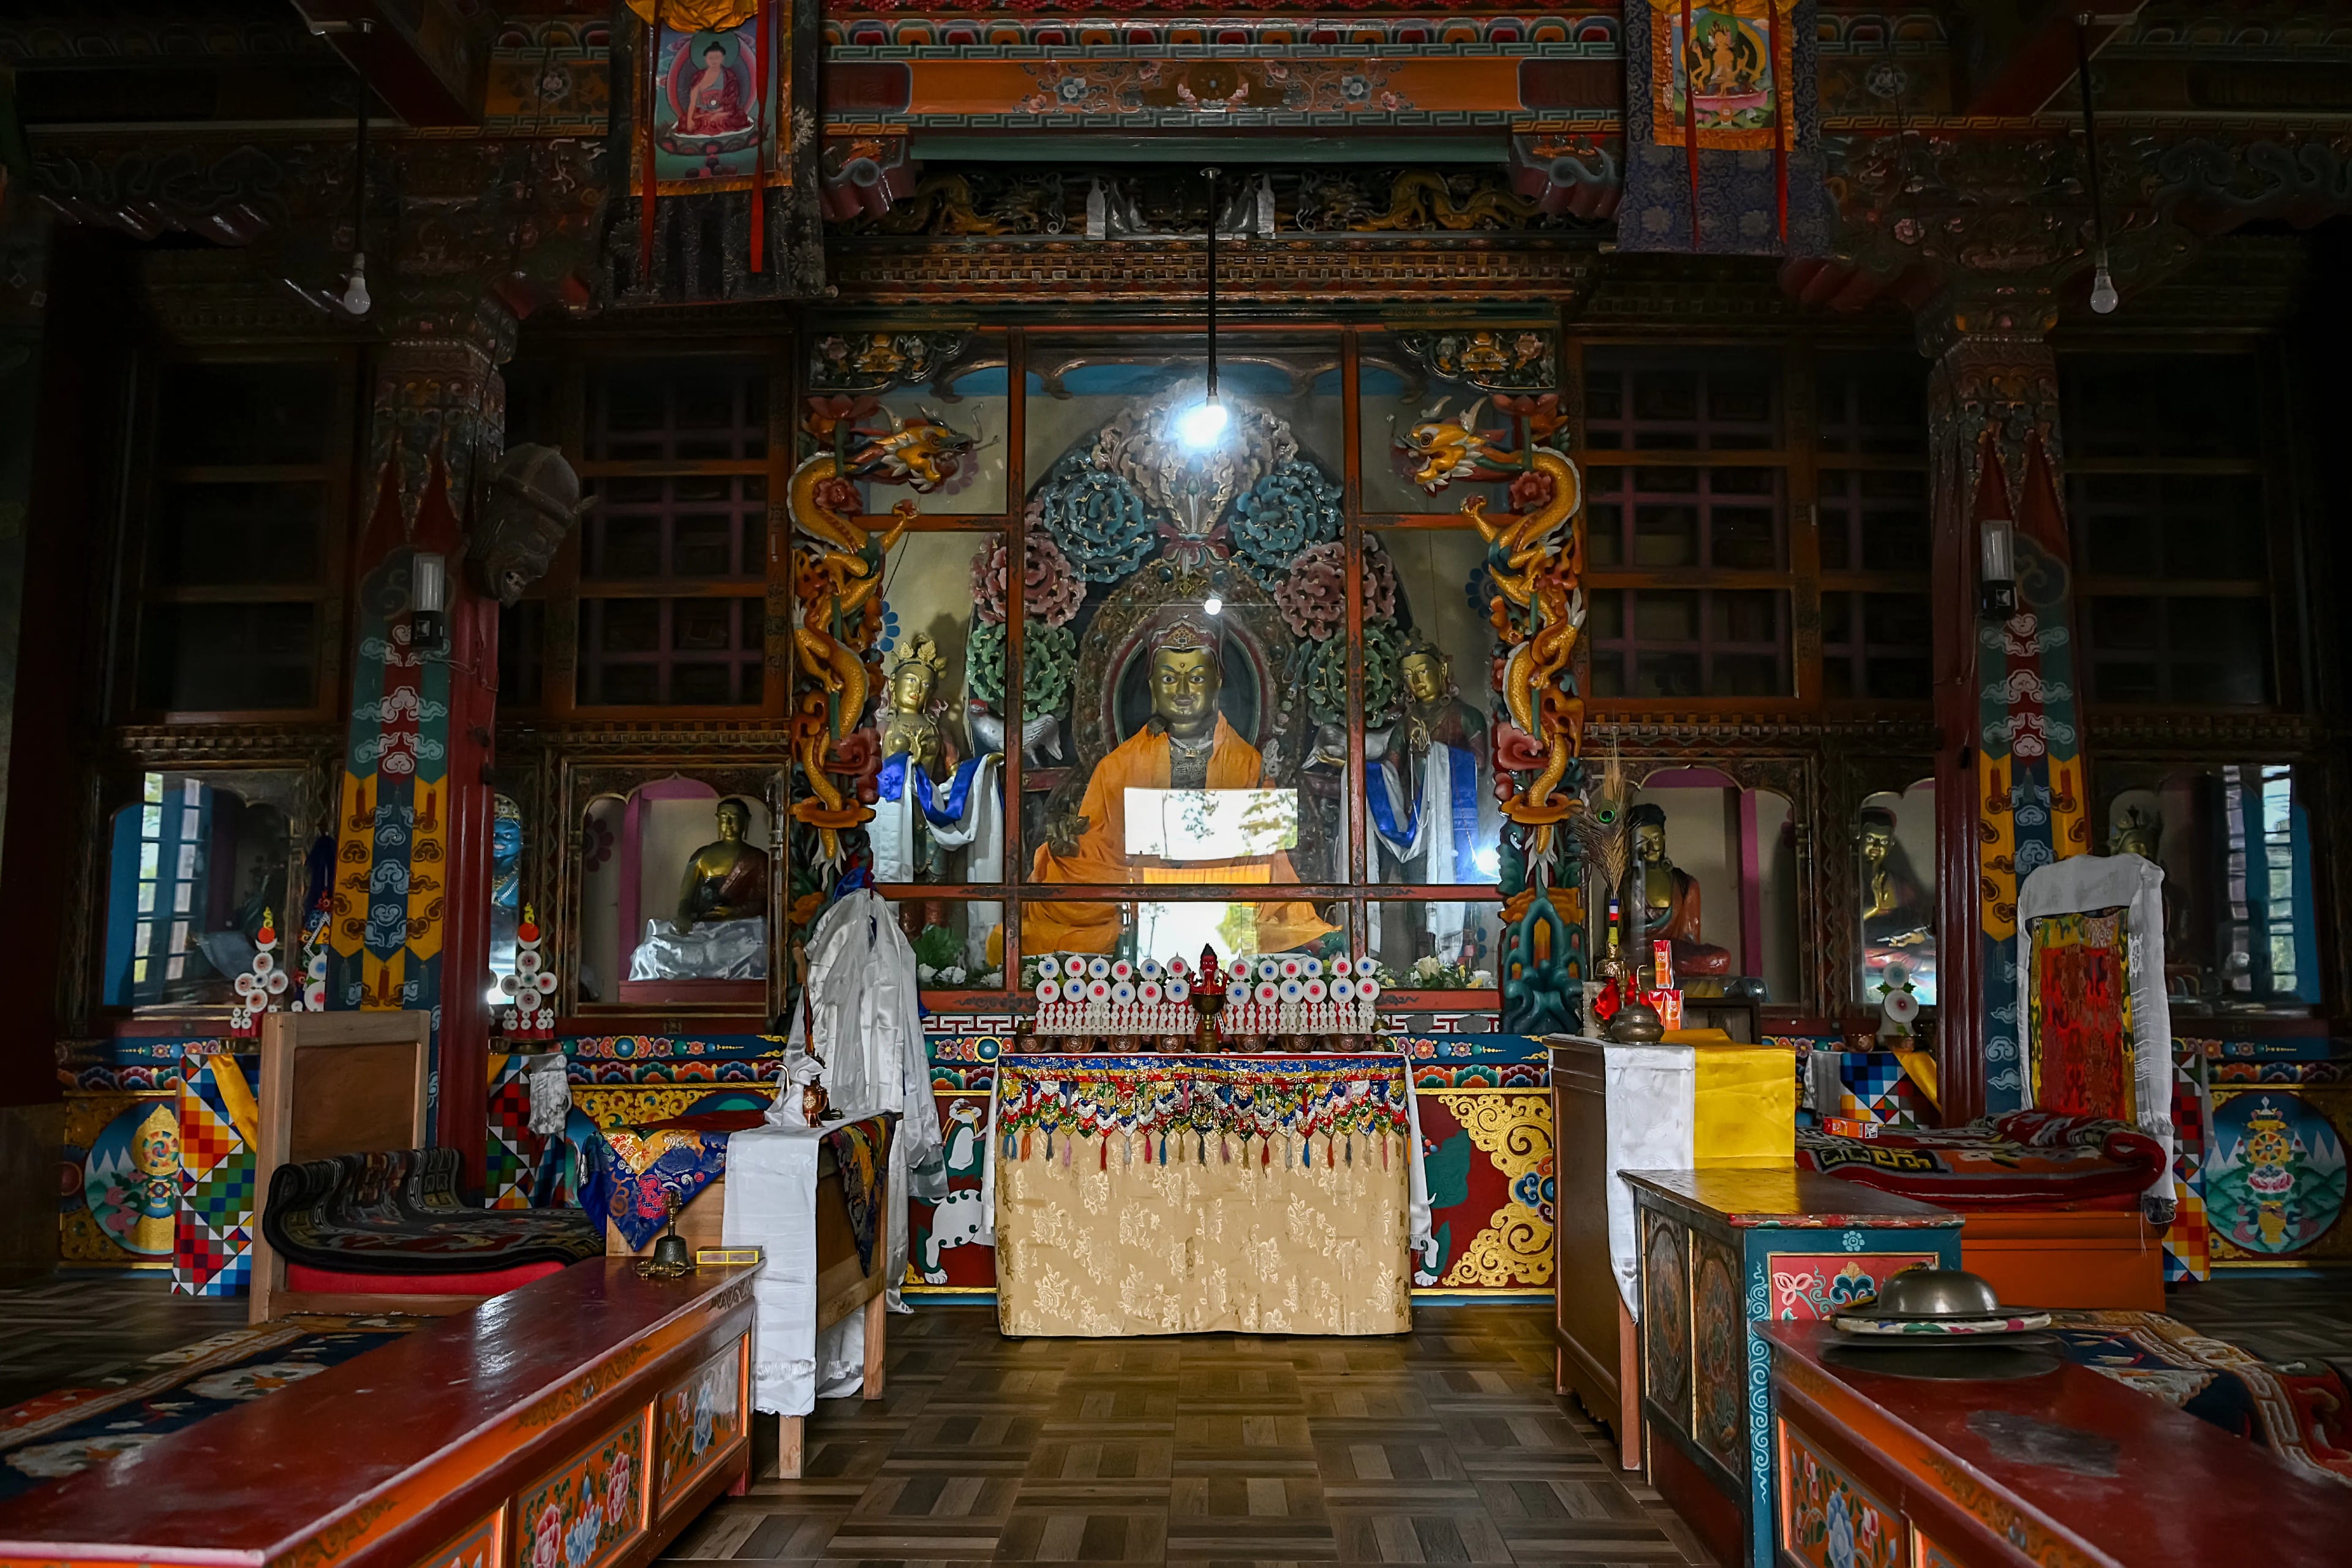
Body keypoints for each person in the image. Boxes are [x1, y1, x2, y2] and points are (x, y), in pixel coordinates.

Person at [1022, 611, 1335, 956]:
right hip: (1140, 910)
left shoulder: (1248, 765)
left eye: (1197, 678)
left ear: (1218, 682)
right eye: (1169, 679)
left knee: (1274, 919)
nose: (1183, 691)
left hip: (1228, 912)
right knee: (1057, 904)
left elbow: (1268, 862)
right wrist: (1071, 852)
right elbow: (1102, 857)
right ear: (1152, 685)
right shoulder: (1118, 766)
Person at [1617, 802, 1732, 977]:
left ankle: (1660, 972)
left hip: (1674, 958)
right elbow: (1614, 939)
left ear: (1664, 837)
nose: (1649, 848)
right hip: (1636, 959)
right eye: (1641, 841)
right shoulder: (1622, 884)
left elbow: (1689, 941)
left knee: (1720, 958)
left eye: (1654, 839)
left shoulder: (1685, 884)